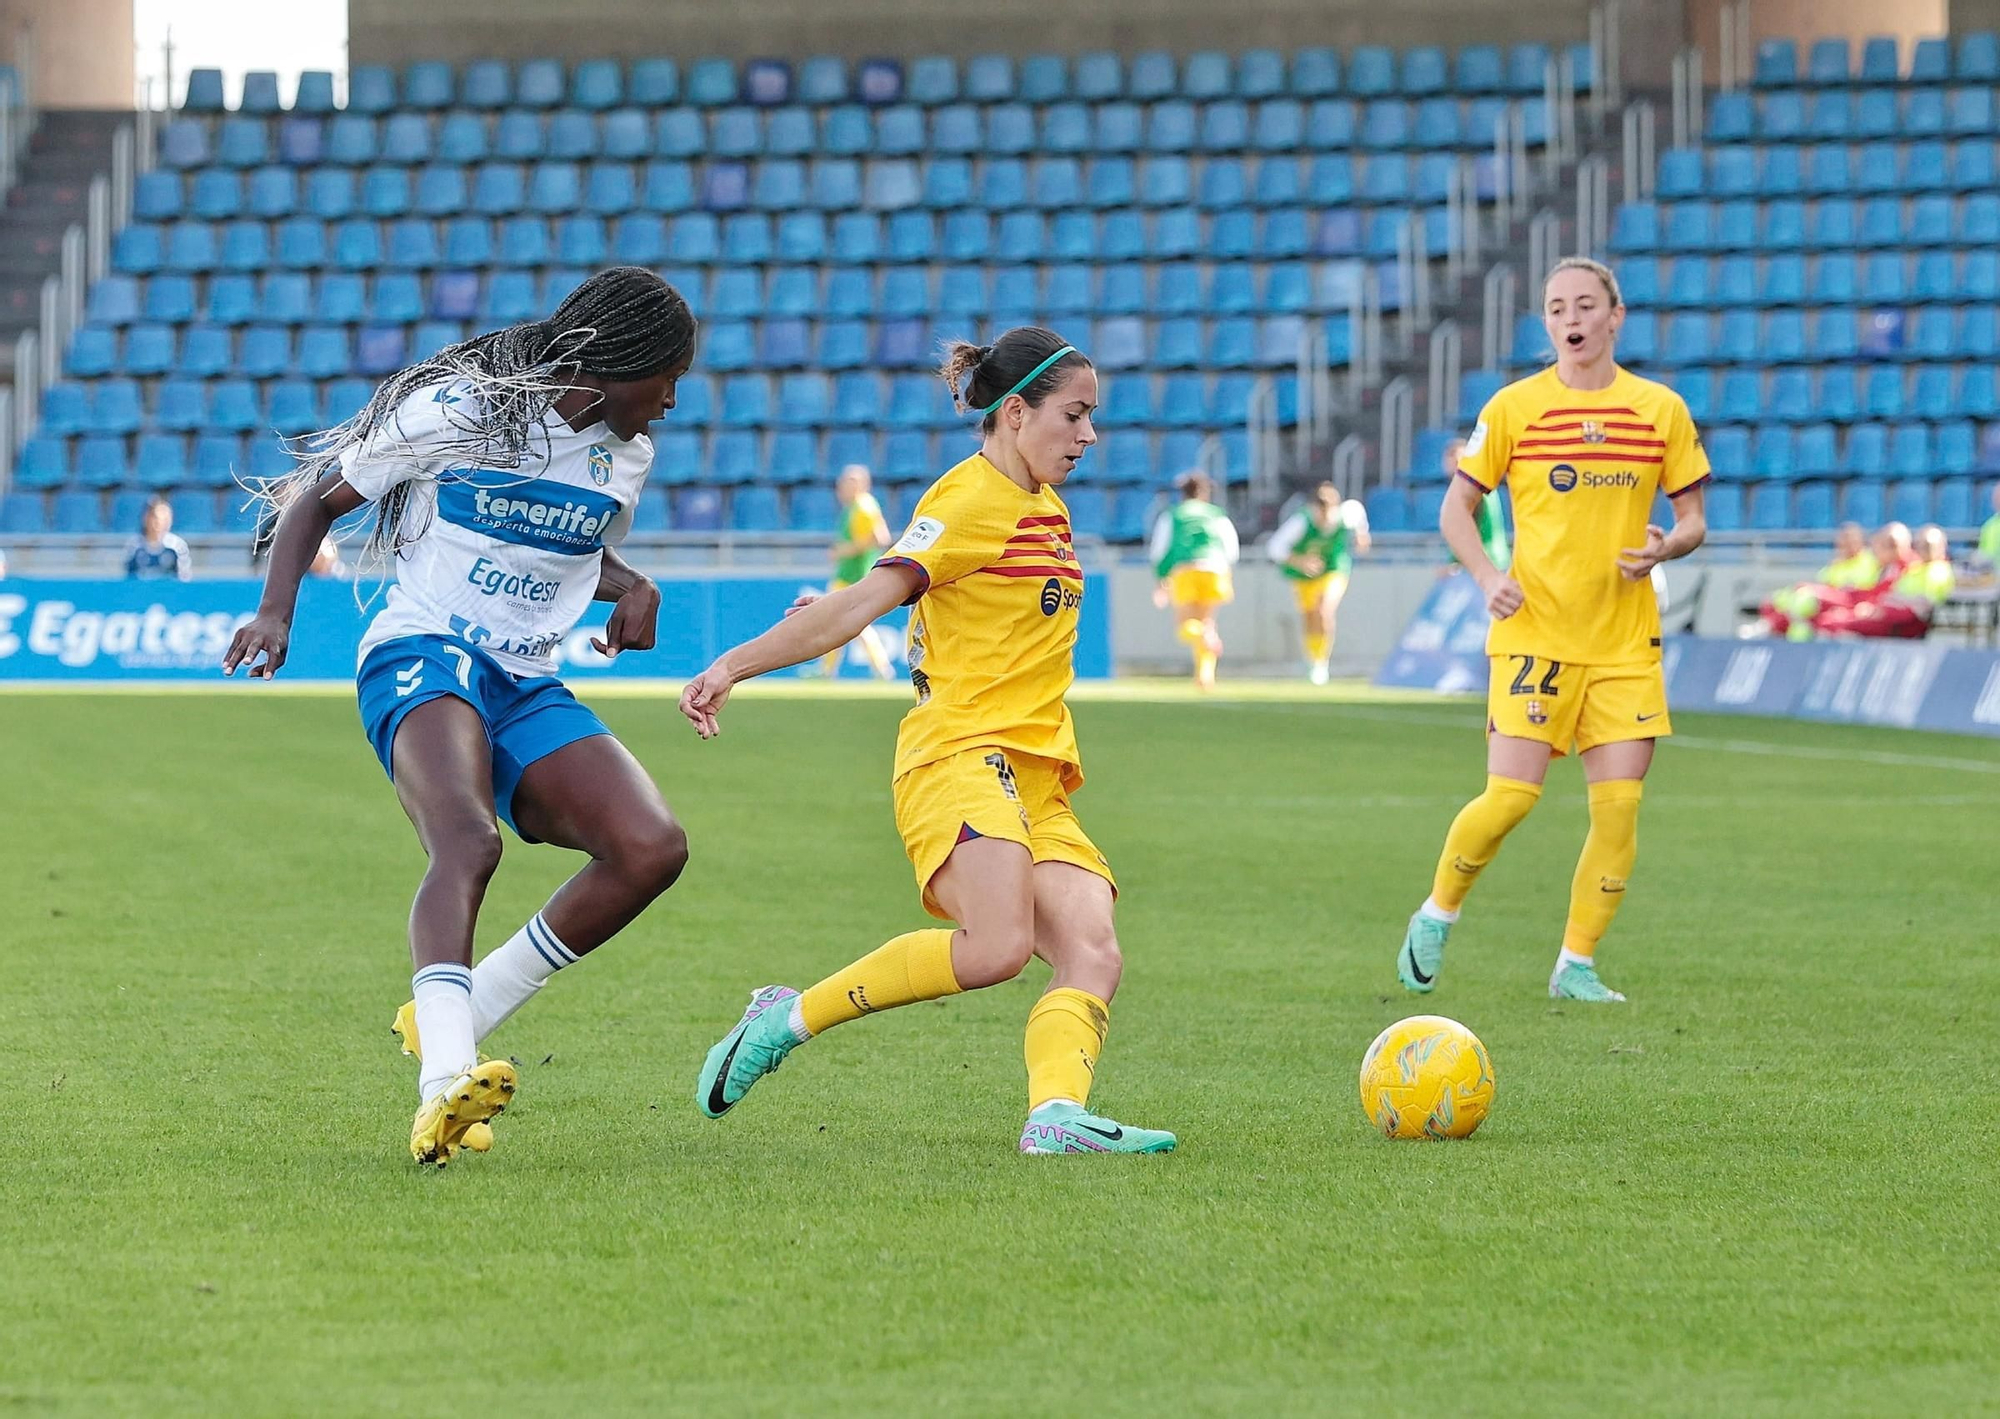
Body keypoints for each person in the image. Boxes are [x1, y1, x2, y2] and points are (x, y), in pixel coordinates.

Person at [221, 266, 698, 1166]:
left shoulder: (626, 455)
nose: (673, 398)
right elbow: (315, 501)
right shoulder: (463, 411)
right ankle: (444, 1082)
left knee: (651, 848)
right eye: (666, 375)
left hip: (523, 679)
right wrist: (277, 611)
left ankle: (454, 1014)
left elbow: (566, 548)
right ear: (615, 361)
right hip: (423, 649)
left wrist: (634, 585)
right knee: (469, 843)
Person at [679, 326, 1174, 1156]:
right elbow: (867, 600)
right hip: (960, 754)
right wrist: (736, 662)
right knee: (999, 949)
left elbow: (945, 606)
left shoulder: (1045, 509)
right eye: (1076, 415)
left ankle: (1054, 1117)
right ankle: (783, 1019)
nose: (1090, 436)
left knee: (1093, 950)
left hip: (1037, 770)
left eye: (1093, 418)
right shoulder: (968, 498)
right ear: (1016, 412)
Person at [1396, 256, 1709, 1006]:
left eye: (1583, 305)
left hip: (1625, 641)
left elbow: (1695, 518)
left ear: (1614, 316)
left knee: (1620, 808)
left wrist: (1668, 542)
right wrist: (1485, 577)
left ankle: (1576, 963)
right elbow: (1455, 510)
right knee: (1510, 797)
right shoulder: (1513, 408)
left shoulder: (1659, 409)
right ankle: (1438, 910)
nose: (1569, 318)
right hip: (1534, 632)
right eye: (1555, 307)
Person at [1267, 481, 1370, 684]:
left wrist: (1361, 535)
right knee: (1310, 615)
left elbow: (1358, 513)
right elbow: (1275, 547)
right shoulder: (1301, 522)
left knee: (1324, 610)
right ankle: (1312, 658)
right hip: (1304, 576)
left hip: (1333, 569)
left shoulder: (1345, 515)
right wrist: (1300, 561)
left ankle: (1321, 663)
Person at [1148, 471, 1239, 690]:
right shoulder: (1216, 514)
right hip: (1215, 568)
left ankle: (1204, 641)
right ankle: (1205, 677)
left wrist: (1161, 579)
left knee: (1186, 626)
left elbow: (1160, 548)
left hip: (1186, 569)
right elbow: (1231, 547)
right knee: (1208, 622)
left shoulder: (1174, 514)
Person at [1758, 522, 1913, 640]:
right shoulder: (1838, 565)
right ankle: (1773, 626)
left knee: (1820, 614)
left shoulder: (1888, 566)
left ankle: (1775, 629)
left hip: (1883, 618)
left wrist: (1868, 607)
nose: (1845, 544)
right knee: (1786, 602)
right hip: (1856, 605)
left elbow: (1885, 600)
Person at [1802, 524, 1955, 640]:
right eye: (1920, 545)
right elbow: (1879, 594)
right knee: (1824, 619)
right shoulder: (1911, 569)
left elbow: (1918, 608)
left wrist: (1876, 611)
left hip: (1901, 624)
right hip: (1886, 614)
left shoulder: (1934, 571)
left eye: (1928, 546)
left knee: (1832, 624)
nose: (1923, 551)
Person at [819, 463, 895, 679]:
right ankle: (827, 668)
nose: (842, 487)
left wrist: (845, 551)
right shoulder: (853, 507)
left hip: (854, 574)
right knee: (838, 623)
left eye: (849, 482)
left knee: (846, 623)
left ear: (862, 484)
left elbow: (880, 537)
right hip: (848, 573)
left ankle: (879, 668)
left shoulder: (864, 507)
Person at [1436, 435, 1511, 578]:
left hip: (1487, 564)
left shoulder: (1474, 490)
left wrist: (1456, 566)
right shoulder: (1478, 486)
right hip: (1492, 562)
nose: (1455, 463)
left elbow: (1466, 530)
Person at [125, 495, 192, 581]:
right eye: (156, 518)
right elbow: (129, 578)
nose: (160, 523)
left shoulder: (177, 546)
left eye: (165, 519)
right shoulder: (135, 545)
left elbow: (183, 578)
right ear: (146, 518)